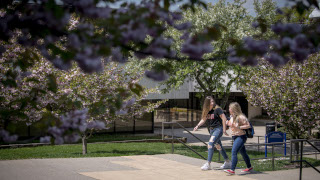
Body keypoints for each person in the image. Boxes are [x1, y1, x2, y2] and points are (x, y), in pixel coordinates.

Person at [193, 96, 231, 170]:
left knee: (210, 144)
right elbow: (203, 119)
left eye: (213, 101)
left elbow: (224, 118)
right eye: (211, 102)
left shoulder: (217, 109)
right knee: (219, 146)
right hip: (212, 130)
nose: (212, 103)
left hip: (218, 129)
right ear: (207, 103)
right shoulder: (207, 110)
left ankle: (208, 164)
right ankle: (228, 162)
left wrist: (224, 129)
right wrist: (197, 126)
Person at [224, 102, 253, 175]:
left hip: (241, 136)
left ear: (233, 109)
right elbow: (232, 126)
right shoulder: (231, 117)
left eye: (230, 108)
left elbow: (248, 125)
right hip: (235, 136)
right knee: (243, 153)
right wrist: (227, 125)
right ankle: (249, 167)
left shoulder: (241, 117)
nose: (229, 109)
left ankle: (232, 169)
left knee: (234, 152)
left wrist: (239, 127)